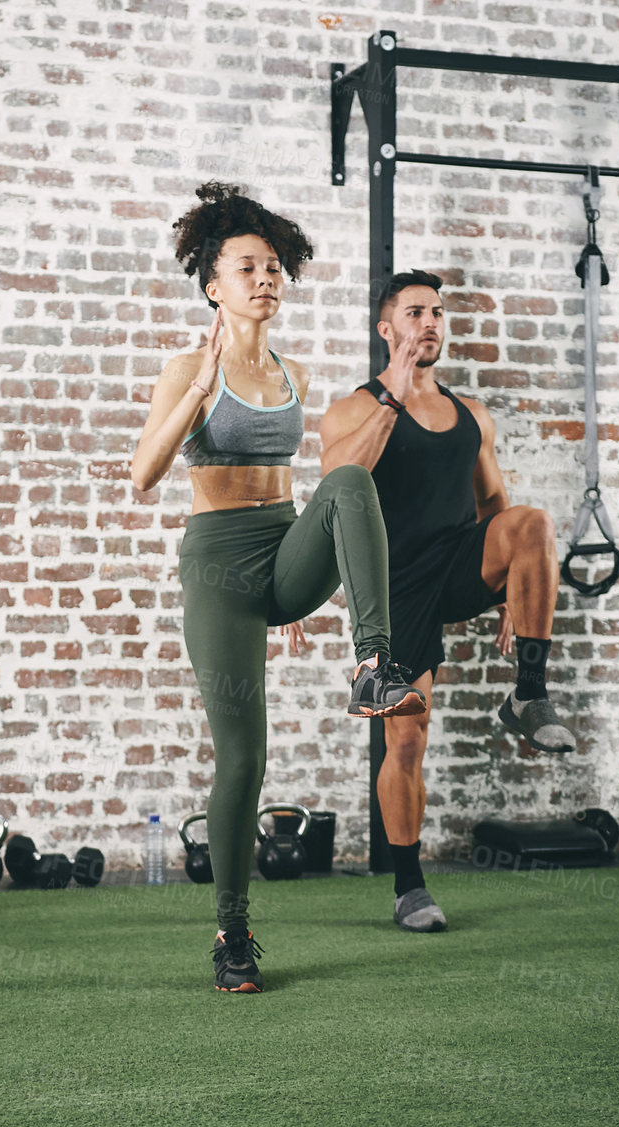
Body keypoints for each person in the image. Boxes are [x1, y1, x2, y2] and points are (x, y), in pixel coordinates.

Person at [131, 183, 424, 994]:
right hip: (218, 564)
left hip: (280, 545)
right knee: (244, 760)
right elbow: (143, 476)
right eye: (247, 268)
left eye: (273, 268)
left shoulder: (290, 371)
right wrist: (198, 389)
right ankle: (232, 932)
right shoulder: (188, 367)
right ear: (213, 286)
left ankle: (372, 665)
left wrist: (299, 573)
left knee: (348, 484)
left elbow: (306, 493)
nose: (266, 279)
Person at [319, 268, 579, 934]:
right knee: (405, 740)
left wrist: (511, 594)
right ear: (387, 328)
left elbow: (496, 505)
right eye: (414, 313)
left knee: (534, 523)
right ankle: (408, 886)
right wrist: (394, 392)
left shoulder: (471, 416)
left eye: (437, 312)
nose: (430, 322)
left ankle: (529, 690)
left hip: (459, 560)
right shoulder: (352, 409)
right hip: (395, 585)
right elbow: (335, 490)